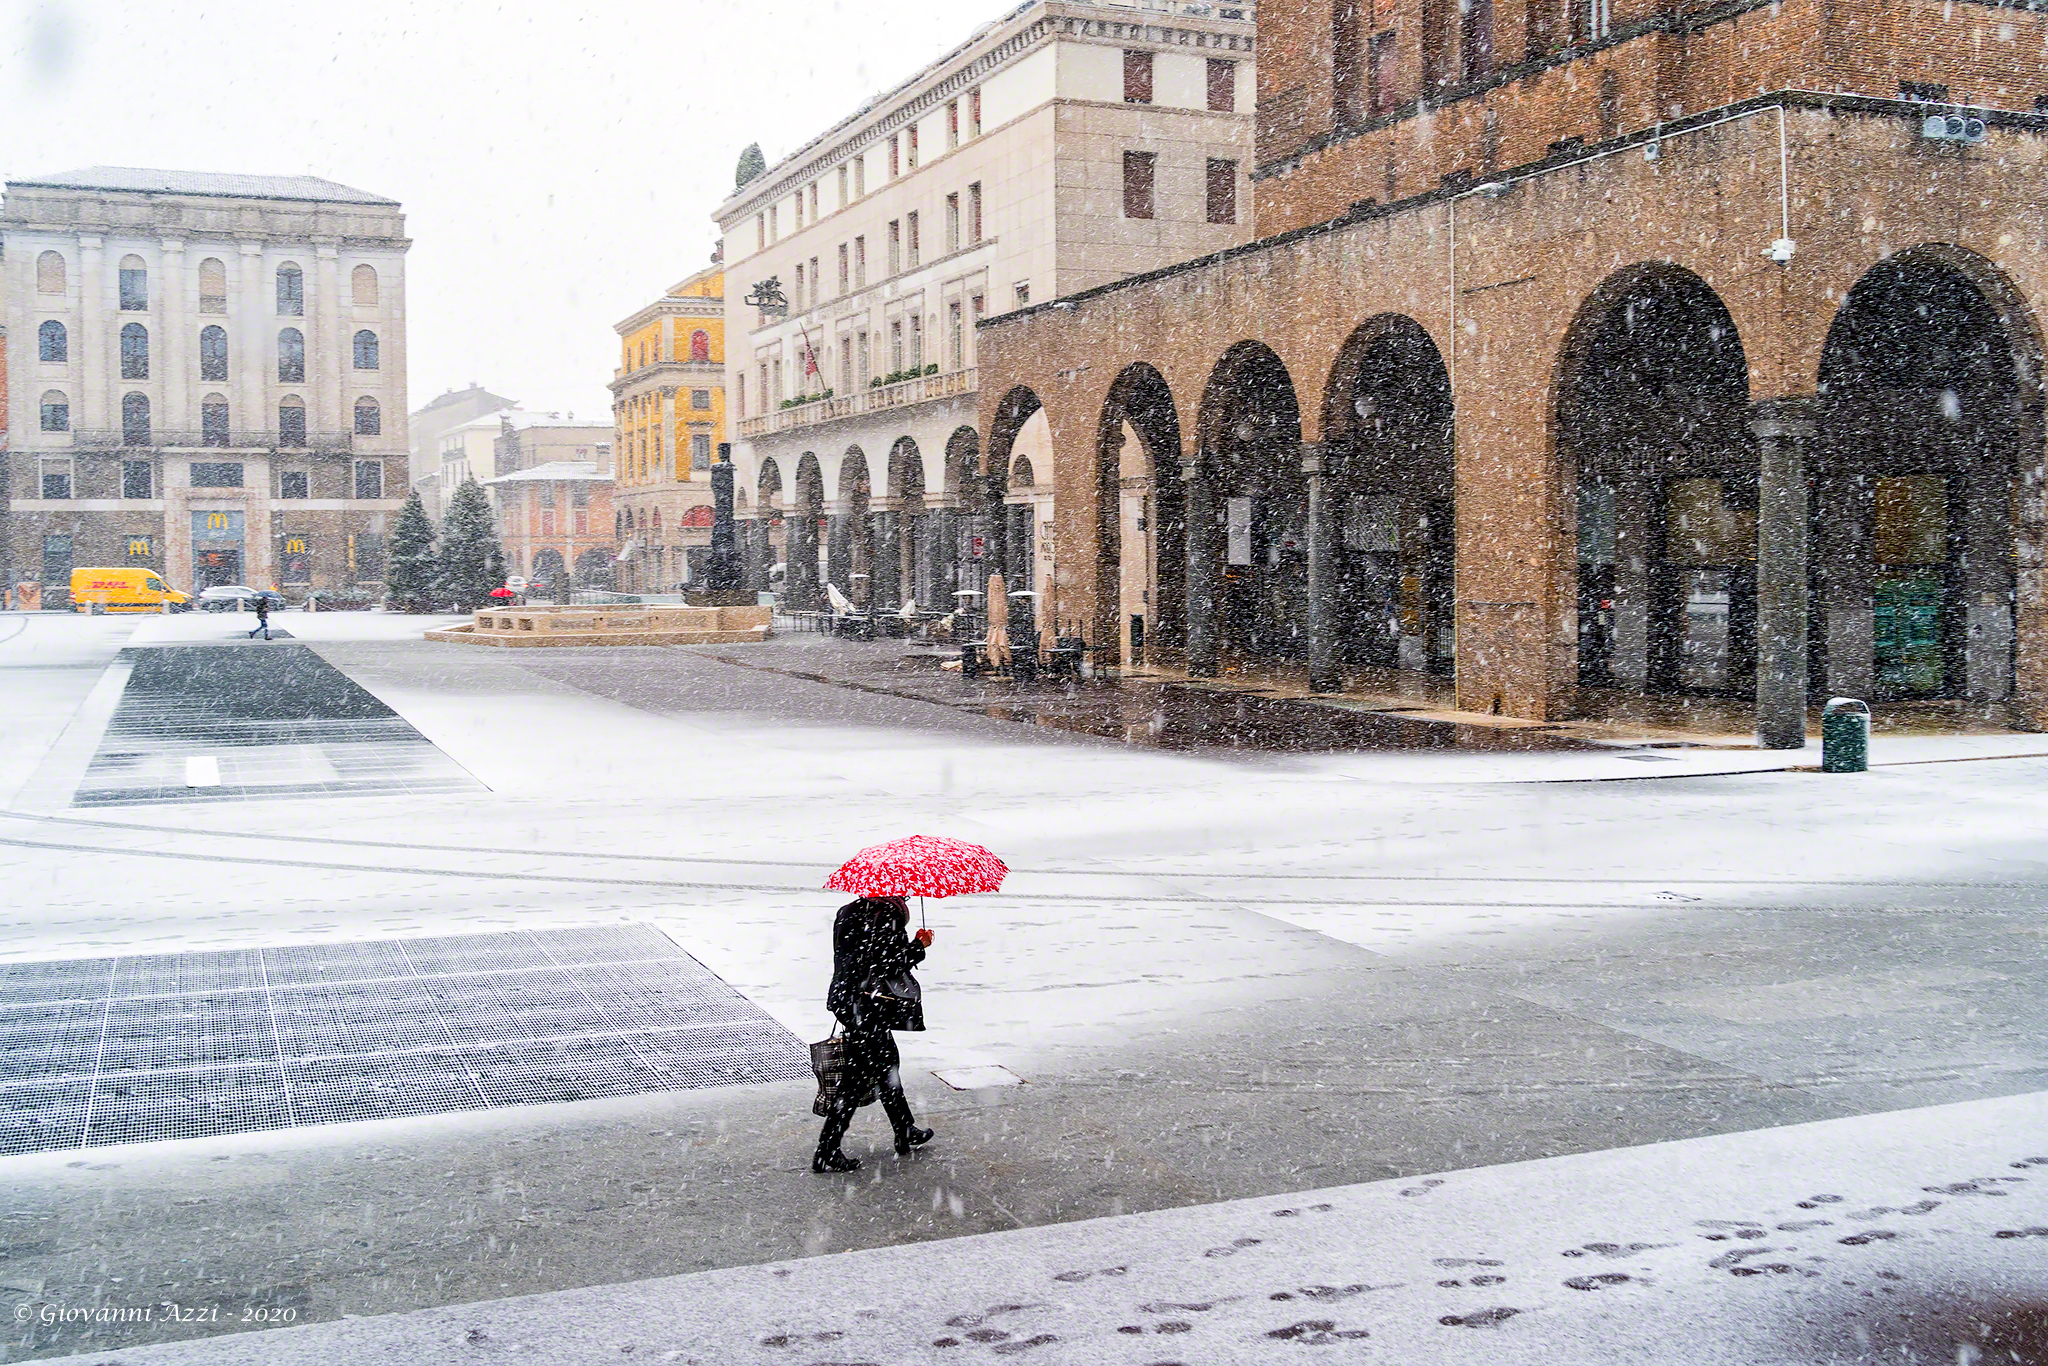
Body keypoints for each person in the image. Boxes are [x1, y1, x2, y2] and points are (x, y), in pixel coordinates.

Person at [814, 896, 935, 1173]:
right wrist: (919, 946)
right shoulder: (885, 914)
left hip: (849, 999)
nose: (905, 892)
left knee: (887, 1064)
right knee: (855, 1081)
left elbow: (856, 957)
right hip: (868, 1005)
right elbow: (888, 963)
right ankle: (827, 1150)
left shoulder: (849, 911)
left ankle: (904, 1128)